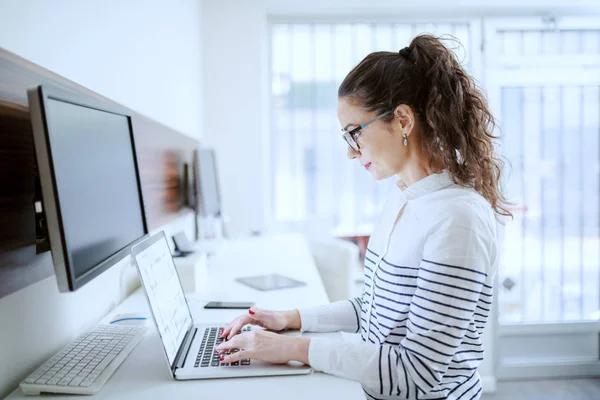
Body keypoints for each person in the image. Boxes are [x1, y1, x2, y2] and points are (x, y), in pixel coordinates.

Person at [216, 34, 511, 400]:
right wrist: (289, 319)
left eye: (355, 133)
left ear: (403, 120)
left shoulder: (458, 219)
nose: (352, 153)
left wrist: (292, 349)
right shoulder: (403, 196)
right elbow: (375, 309)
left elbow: (414, 372)